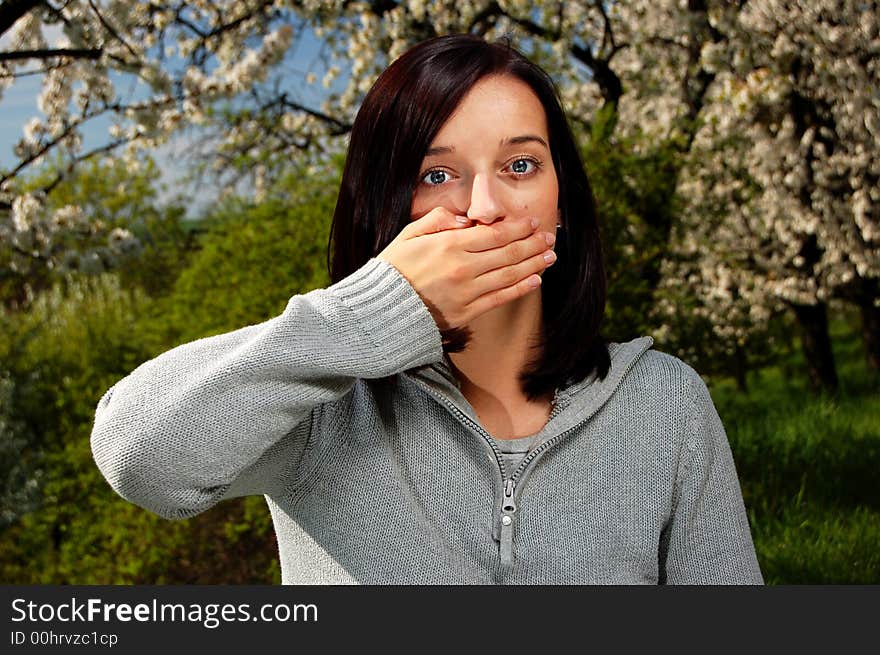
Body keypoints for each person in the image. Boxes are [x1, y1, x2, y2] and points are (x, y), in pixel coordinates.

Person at [90, 34, 763, 584]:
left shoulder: (663, 401)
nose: (485, 208)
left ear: (563, 199)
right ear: (385, 203)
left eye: (520, 166)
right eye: (436, 176)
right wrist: (369, 314)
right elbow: (139, 455)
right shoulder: (320, 404)